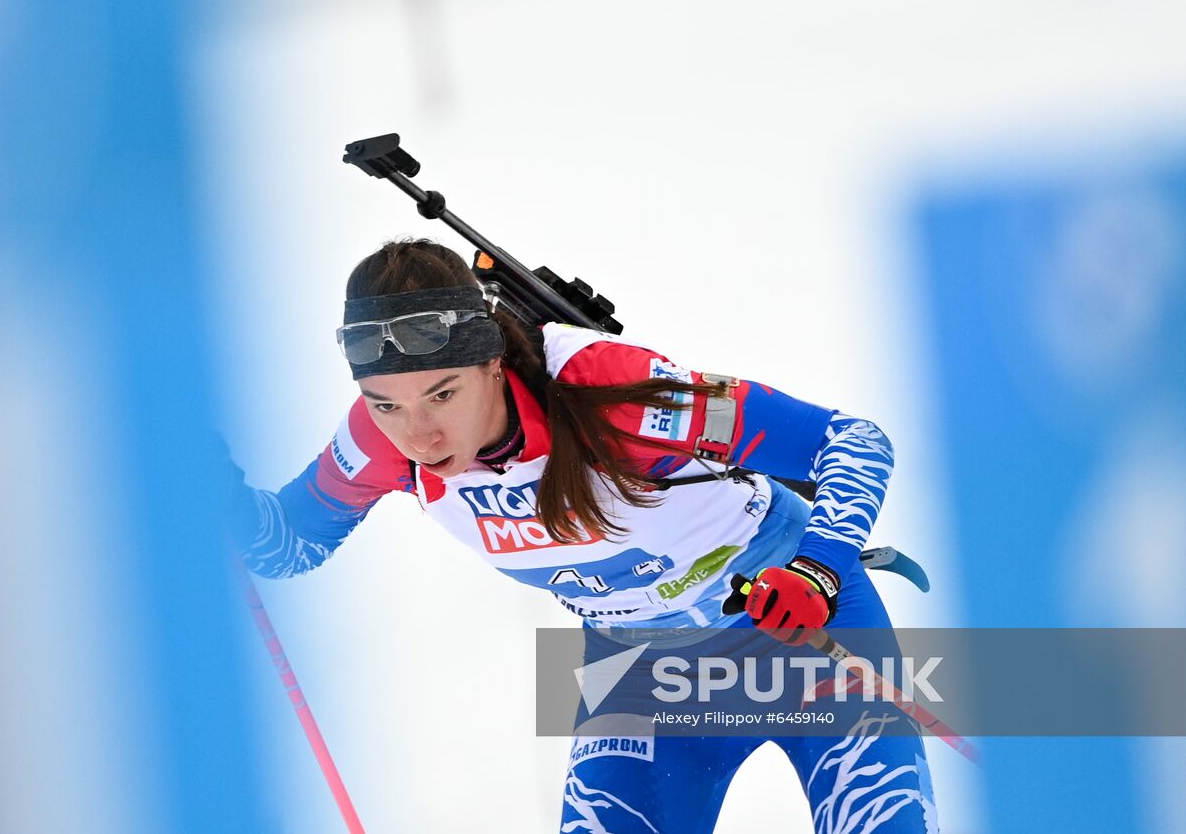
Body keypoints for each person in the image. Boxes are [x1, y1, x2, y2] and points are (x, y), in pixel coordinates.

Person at [224, 239, 938, 832]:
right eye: (386, 405)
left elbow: (849, 441)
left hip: (797, 636)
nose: (418, 433)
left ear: (492, 363)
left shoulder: (610, 390)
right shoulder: (382, 444)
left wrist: (818, 569)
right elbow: (285, 545)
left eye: (443, 395)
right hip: (645, 678)